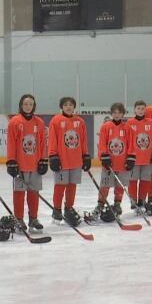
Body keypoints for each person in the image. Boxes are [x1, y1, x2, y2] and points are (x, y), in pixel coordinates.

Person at [6, 94, 48, 232]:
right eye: (25, 104)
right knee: (19, 193)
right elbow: (11, 143)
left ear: (34, 106)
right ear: (21, 105)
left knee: (33, 193)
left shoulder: (39, 122)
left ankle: (33, 218)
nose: (28, 106)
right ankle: (19, 219)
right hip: (20, 165)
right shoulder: (14, 121)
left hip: (35, 164)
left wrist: (43, 160)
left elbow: (42, 142)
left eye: (30, 104)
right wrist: (11, 161)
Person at [48, 96, 90, 226]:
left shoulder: (80, 121)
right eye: (66, 104)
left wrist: (86, 156)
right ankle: (57, 209)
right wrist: (53, 155)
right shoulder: (56, 120)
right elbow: (52, 139)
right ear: (62, 106)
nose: (68, 106)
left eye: (71, 104)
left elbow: (83, 140)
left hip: (76, 160)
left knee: (72, 186)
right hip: (62, 161)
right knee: (60, 186)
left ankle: (69, 208)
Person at [93, 103, 134, 218]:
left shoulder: (127, 128)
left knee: (119, 185)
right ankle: (100, 204)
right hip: (109, 163)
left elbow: (131, 144)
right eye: (115, 112)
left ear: (123, 113)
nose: (117, 115)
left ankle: (117, 203)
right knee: (104, 185)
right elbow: (102, 143)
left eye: (119, 112)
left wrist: (131, 157)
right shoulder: (106, 126)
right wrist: (104, 155)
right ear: (111, 113)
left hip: (122, 162)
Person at [126, 101, 152, 215]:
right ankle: (133, 201)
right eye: (138, 108)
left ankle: (141, 200)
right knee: (133, 180)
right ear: (134, 110)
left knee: (145, 180)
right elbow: (127, 140)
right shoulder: (129, 123)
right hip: (134, 158)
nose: (141, 110)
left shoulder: (151, 122)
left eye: (142, 108)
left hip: (147, 158)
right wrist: (128, 155)